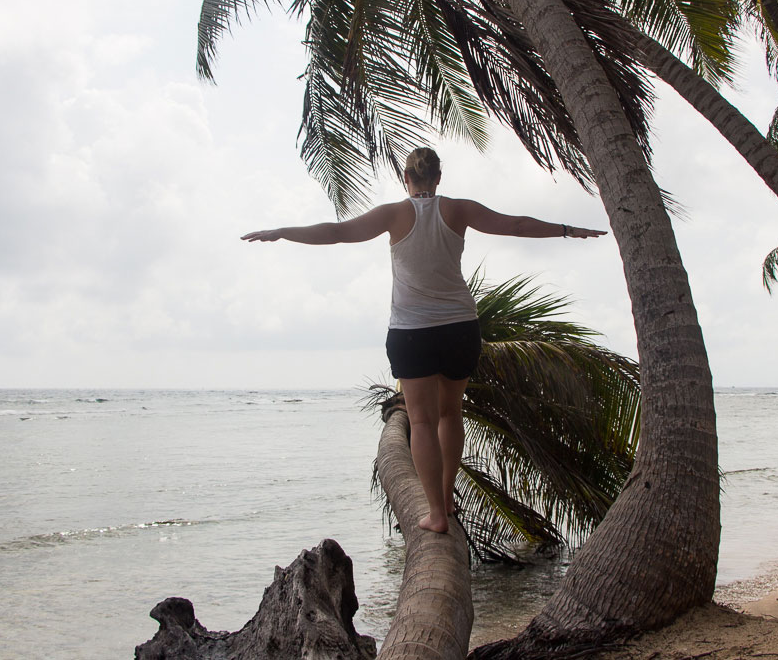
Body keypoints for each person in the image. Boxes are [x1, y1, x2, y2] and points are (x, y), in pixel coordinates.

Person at [242, 148, 605, 533]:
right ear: (438, 179)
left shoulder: (393, 214)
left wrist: (281, 232)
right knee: (451, 412)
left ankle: (435, 514)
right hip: (460, 329)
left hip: (411, 332)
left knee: (421, 420)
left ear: (406, 179)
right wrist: (567, 230)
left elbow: (337, 233)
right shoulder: (458, 209)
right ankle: (446, 498)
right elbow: (514, 225)